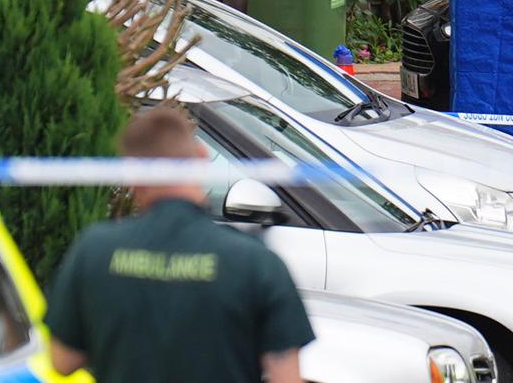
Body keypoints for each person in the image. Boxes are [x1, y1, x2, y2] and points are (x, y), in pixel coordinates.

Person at [46, 107, 314, 383]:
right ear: (201, 158)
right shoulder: (255, 262)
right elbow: (286, 379)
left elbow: (62, 360)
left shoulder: (94, 250)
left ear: (131, 175)